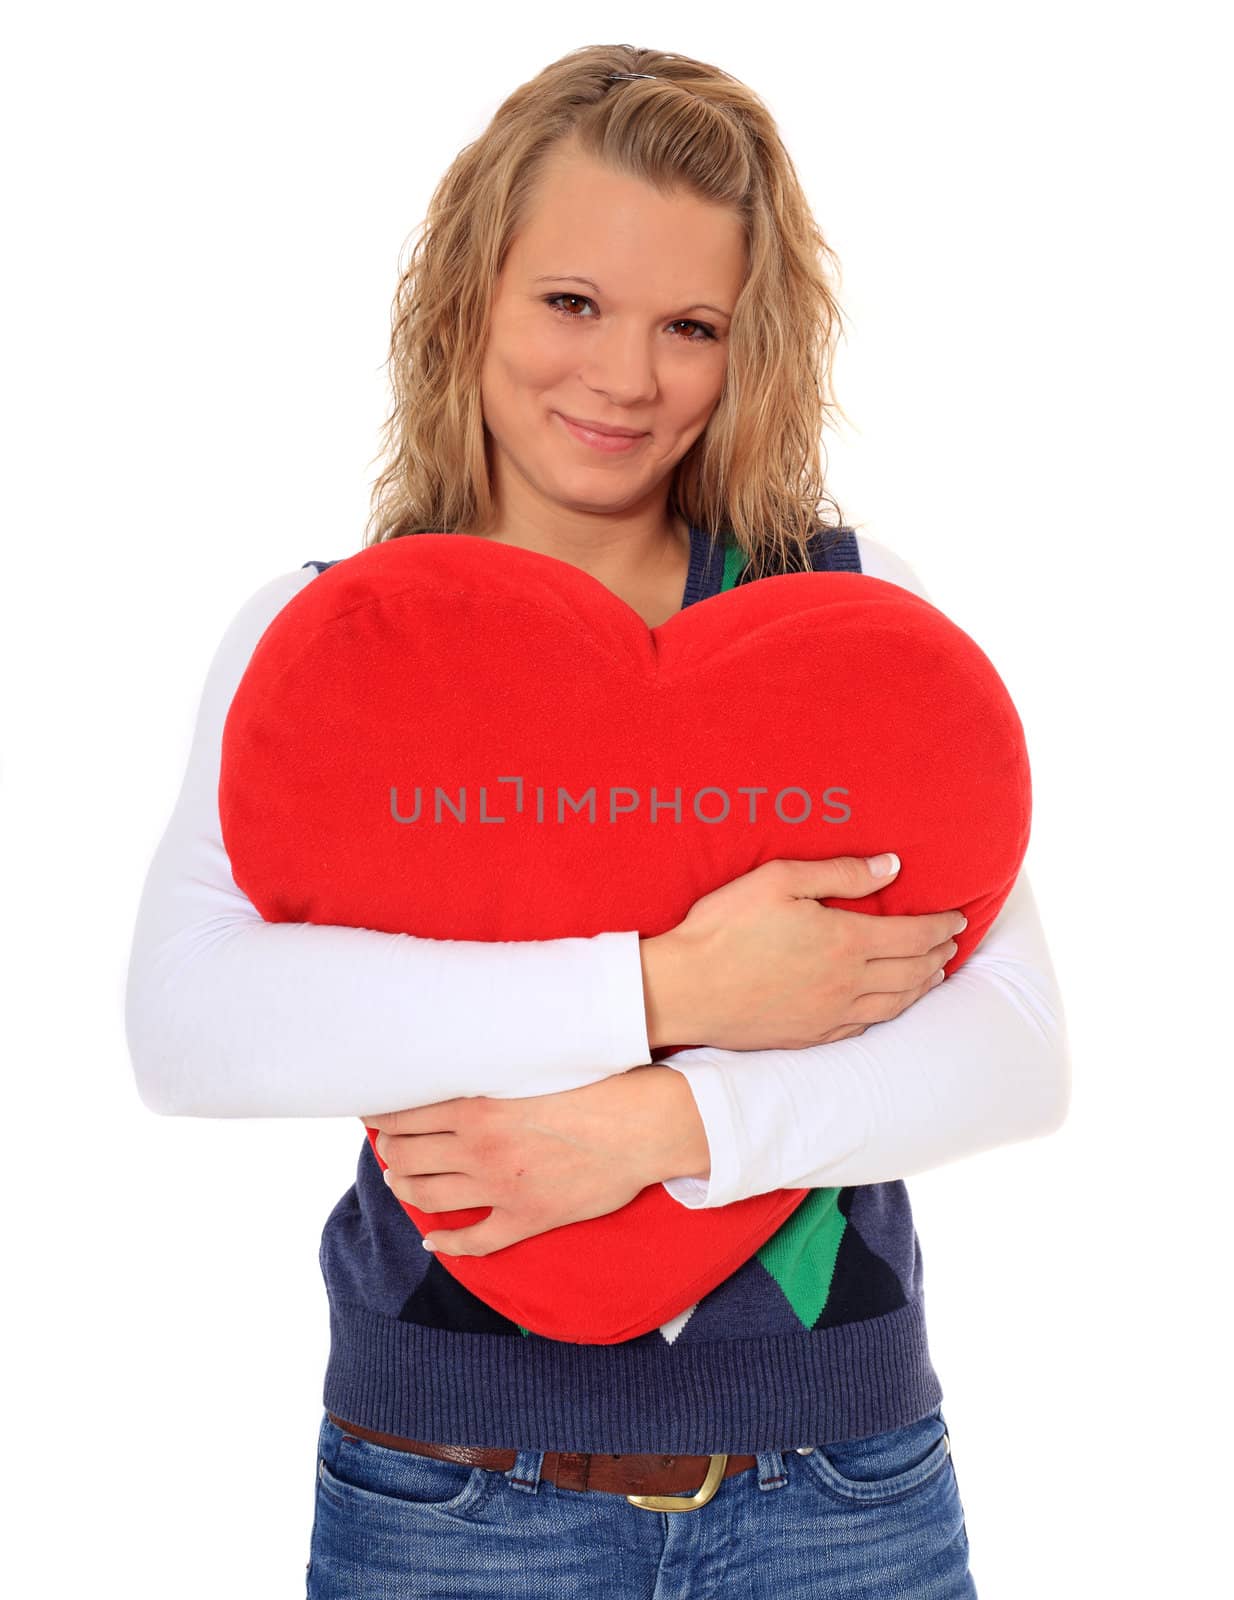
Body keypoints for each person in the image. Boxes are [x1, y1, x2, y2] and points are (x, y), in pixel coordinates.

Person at [125, 44, 1071, 1599]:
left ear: (746, 347)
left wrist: (648, 1131)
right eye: (571, 303)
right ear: (465, 300)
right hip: (444, 1497)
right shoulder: (325, 646)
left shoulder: (848, 624)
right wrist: (670, 988)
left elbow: (1012, 1050)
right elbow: (192, 1026)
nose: (624, 379)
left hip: (842, 1488)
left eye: (688, 326)